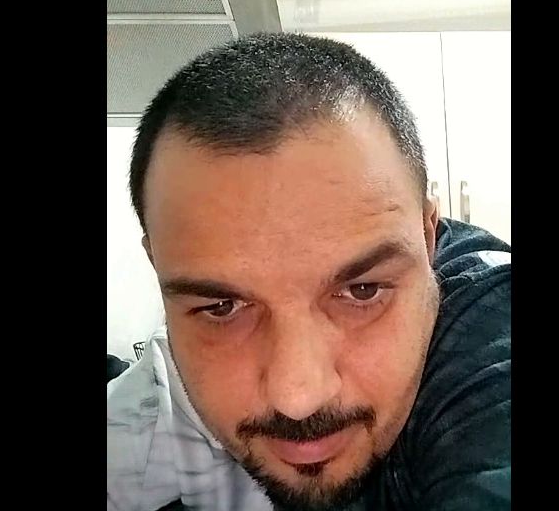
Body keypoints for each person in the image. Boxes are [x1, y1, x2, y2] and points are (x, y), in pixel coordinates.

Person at [107, 33, 510, 511]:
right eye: (221, 307)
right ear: (158, 266)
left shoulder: (489, 333)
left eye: (363, 290)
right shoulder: (141, 426)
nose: (298, 397)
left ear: (429, 238)